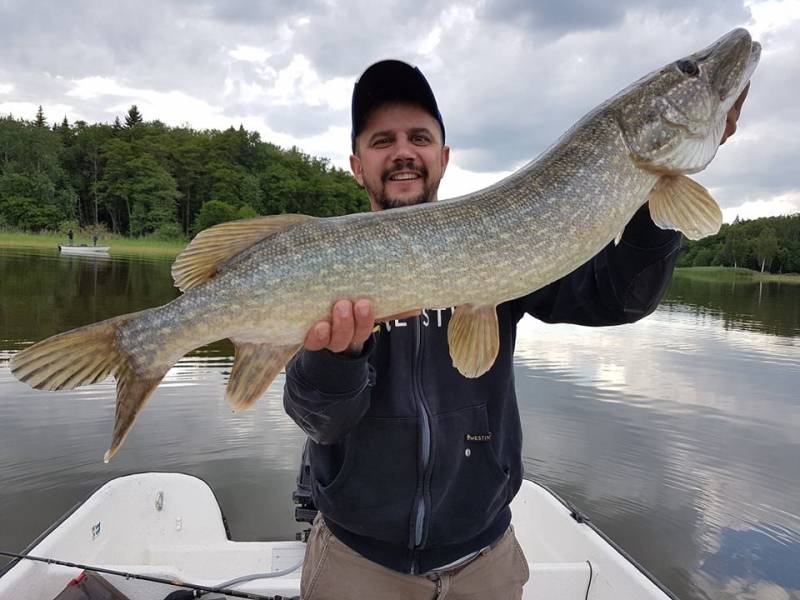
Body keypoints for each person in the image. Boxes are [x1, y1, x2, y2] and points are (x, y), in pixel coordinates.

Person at [283, 60, 749, 599]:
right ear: (357, 165)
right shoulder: (332, 268)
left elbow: (619, 298)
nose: (403, 151)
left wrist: (658, 190)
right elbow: (318, 419)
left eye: (420, 136)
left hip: (485, 561)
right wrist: (339, 359)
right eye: (382, 140)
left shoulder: (505, 245)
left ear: (444, 157)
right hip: (357, 563)